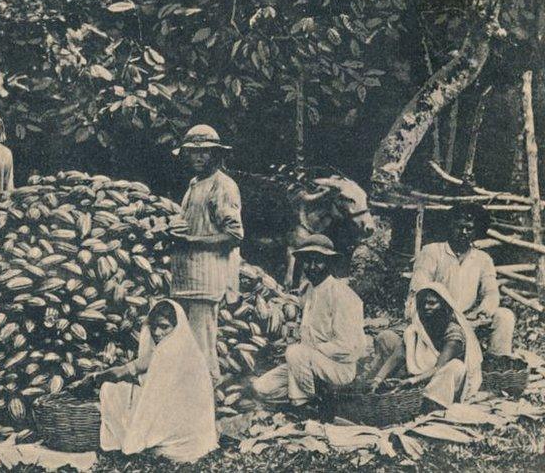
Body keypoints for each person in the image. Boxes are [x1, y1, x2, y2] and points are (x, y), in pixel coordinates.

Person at [84, 299, 216, 463]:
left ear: (177, 327)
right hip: (195, 438)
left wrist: (97, 379)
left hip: (180, 428)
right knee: (121, 390)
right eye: (153, 326)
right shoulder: (182, 348)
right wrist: (98, 377)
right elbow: (128, 369)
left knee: (114, 392)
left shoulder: (172, 352)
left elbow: (154, 398)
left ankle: (154, 443)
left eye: (164, 326)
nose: (157, 332)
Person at [250, 235, 366, 406]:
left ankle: (306, 404)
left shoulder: (343, 296)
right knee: (261, 388)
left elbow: (349, 348)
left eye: (318, 261)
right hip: (308, 362)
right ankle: (315, 395)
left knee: (295, 353)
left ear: (329, 263)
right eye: (307, 261)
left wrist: (310, 350)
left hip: (338, 368)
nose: (312, 267)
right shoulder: (308, 291)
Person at [168, 124, 243, 383]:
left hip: (205, 279)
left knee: (202, 349)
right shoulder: (195, 184)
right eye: (192, 153)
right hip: (184, 280)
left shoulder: (223, 186)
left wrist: (191, 240)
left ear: (216, 154)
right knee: (185, 349)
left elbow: (234, 235)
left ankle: (207, 406)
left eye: (205, 152)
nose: (198, 157)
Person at [408, 203, 514, 356]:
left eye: (469, 228)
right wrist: (441, 313)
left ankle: (496, 364)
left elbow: (491, 292)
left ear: (475, 231)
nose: (463, 232)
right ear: (450, 226)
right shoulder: (432, 252)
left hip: (468, 318)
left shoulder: (483, 259)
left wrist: (483, 311)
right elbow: (419, 288)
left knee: (505, 316)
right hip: (436, 318)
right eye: (459, 227)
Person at [369, 282, 482, 410]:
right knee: (387, 337)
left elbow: (439, 368)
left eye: (432, 303)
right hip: (419, 376)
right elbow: (398, 355)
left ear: (443, 305)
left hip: (442, 380)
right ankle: (406, 393)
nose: (427, 307)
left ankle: (432, 403)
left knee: (456, 367)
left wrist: (412, 381)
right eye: (423, 304)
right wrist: (377, 380)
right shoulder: (418, 329)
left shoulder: (453, 332)